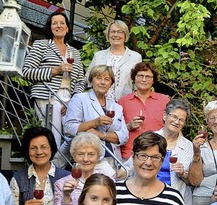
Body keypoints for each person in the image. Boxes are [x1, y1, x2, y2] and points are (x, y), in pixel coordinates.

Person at [23, 12, 85, 150]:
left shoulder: (75, 52)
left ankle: (57, 165)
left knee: (77, 137)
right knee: (51, 138)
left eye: (62, 23)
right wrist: (55, 70)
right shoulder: (41, 45)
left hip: (69, 98)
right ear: (50, 28)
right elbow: (26, 72)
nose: (59, 26)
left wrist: (73, 100)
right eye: (54, 23)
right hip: (47, 97)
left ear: (67, 28)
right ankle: (52, 169)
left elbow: (81, 80)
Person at [63, 65, 129, 168]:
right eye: (98, 78)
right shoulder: (80, 99)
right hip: (87, 159)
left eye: (107, 79)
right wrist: (94, 123)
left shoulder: (116, 107)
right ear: (91, 81)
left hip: (113, 159)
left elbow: (124, 136)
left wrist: (101, 134)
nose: (102, 82)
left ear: (111, 84)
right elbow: (69, 128)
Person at [152, 98, 195, 205]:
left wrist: (183, 174)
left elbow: (193, 182)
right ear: (165, 116)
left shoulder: (188, 146)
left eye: (181, 120)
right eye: (174, 117)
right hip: (150, 200)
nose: (177, 122)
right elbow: (131, 167)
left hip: (176, 203)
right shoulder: (150, 139)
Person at [118, 62, 170, 161]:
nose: (144, 79)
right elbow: (116, 131)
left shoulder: (164, 101)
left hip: (157, 155)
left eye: (148, 77)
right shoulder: (123, 102)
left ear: (153, 80)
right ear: (134, 78)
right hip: (130, 155)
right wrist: (129, 126)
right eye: (140, 76)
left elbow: (171, 128)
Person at [85, 20, 142, 102]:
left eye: (120, 32)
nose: (116, 35)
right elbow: (88, 79)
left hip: (123, 103)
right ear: (108, 35)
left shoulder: (135, 57)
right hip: (97, 102)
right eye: (112, 32)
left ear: (125, 35)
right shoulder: (98, 55)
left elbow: (138, 84)